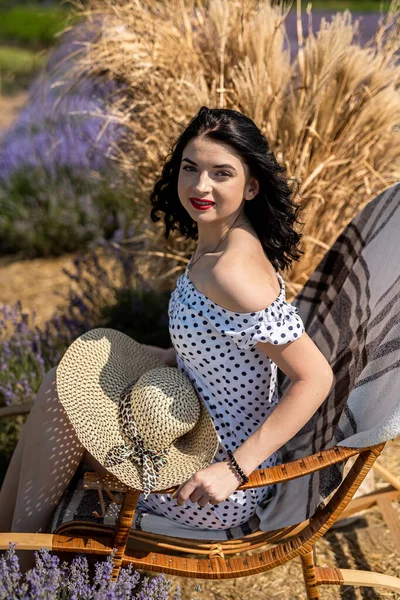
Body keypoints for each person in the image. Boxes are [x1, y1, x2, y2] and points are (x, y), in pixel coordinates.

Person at [0, 106, 334, 544]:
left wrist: (233, 471)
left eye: (221, 174)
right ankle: (10, 548)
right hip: (184, 429)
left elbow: (315, 377)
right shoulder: (216, 242)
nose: (200, 186)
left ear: (252, 186)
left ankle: (18, 563)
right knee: (58, 386)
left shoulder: (235, 271)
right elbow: (217, 347)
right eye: (190, 168)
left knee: (58, 412)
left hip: (208, 483)